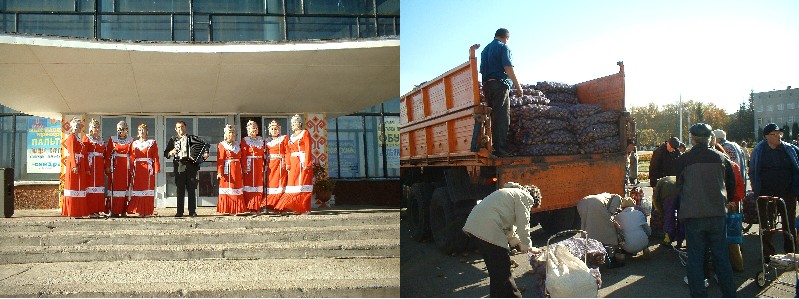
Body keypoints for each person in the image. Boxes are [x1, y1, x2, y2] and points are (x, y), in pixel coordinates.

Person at [675, 123, 736, 297]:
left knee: (695, 258)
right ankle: (730, 293)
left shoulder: (684, 160)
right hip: (717, 214)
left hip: (693, 215)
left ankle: (699, 294)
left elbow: (678, 186)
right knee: (721, 257)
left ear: (692, 138)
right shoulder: (721, 158)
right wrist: (727, 200)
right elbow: (730, 184)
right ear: (710, 138)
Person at [462, 182, 542, 298]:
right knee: (503, 269)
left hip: (474, 227)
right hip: (488, 228)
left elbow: (509, 229)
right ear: (533, 200)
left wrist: (520, 245)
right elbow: (523, 224)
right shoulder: (525, 197)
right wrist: (528, 246)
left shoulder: (510, 194)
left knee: (496, 271)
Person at [749, 123, 799, 260]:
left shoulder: (789, 149)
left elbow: (796, 168)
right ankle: (768, 254)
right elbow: (753, 171)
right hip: (766, 193)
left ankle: (791, 253)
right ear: (766, 136)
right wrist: (756, 190)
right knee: (767, 226)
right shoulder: (759, 150)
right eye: (775, 134)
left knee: (788, 224)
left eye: (780, 134)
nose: (779, 136)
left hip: (788, 193)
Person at [478, 28, 523, 157]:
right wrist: (518, 86)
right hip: (499, 85)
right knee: (502, 118)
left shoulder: (485, 50)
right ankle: (501, 150)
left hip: (487, 85)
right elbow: (508, 67)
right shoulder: (504, 47)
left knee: (492, 118)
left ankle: (493, 147)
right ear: (506, 38)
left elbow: (482, 70)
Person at [164, 120, 209, 217]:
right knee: (180, 189)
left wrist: (206, 153)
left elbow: (205, 145)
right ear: (176, 129)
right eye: (178, 127)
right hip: (179, 165)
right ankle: (179, 212)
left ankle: (192, 211)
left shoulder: (192, 138)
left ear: (185, 127)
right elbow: (166, 153)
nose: (181, 129)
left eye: (182, 127)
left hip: (191, 165)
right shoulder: (173, 139)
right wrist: (171, 152)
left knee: (191, 189)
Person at [275, 114, 313, 215]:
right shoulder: (291, 137)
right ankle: (296, 206)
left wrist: (307, 162)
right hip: (293, 162)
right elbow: (288, 151)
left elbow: (308, 148)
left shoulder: (305, 133)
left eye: (295, 123)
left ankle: (304, 208)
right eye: (292, 123)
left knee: (303, 184)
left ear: (300, 123)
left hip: (302, 160)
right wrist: (288, 164)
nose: (293, 125)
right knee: (292, 185)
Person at [128, 124, 160, 217]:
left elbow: (155, 156)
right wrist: (131, 169)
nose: (142, 132)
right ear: (138, 132)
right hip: (137, 168)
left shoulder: (152, 142)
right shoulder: (134, 143)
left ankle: (147, 210)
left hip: (148, 169)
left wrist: (156, 168)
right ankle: (139, 210)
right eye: (140, 130)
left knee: (148, 188)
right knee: (138, 188)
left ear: (147, 131)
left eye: (144, 130)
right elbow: (131, 157)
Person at [62, 117, 90, 217]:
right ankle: (73, 211)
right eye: (76, 126)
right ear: (73, 127)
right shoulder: (71, 137)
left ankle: (79, 210)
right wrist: (74, 165)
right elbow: (72, 151)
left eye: (79, 126)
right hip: (74, 163)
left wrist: (86, 168)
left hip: (80, 163)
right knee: (73, 186)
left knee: (80, 187)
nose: (78, 128)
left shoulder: (78, 138)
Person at [105, 120, 133, 218]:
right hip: (115, 166)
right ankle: (113, 210)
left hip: (126, 166)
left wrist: (132, 168)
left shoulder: (131, 140)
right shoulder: (112, 139)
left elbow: (132, 154)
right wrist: (107, 167)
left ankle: (124, 210)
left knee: (125, 188)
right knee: (114, 188)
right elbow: (108, 153)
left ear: (127, 130)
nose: (121, 131)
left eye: (123, 129)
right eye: (119, 129)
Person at [217, 124, 247, 215]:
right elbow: (220, 160)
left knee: (236, 187)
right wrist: (220, 172)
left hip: (237, 169)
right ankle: (227, 208)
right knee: (228, 187)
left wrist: (244, 168)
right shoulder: (222, 145)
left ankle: (236, 209)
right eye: (229, 132)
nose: (232, 134)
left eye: (233, 132)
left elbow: (243, 157)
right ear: (225, 134)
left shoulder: (238, 145)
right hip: (227, 169)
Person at [82, 119, 106, 218]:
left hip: (99, 164)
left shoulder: (101, 139)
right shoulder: (86, 138)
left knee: (99, 186)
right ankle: (90, 210)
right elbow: (84, 153)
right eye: (94, 127)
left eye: (98, 127)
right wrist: (87, 167)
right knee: (91, 186)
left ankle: (97, 209)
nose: (96, 129)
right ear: (90, 128)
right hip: (91, 164)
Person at [241, 120, 266, 214]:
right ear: (248, 129)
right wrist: (244, 167)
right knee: (249, 186)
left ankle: (257, 206)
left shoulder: (261, 140)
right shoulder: (245, 140)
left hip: (259, 164)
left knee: (258, 185)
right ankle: (250, 206)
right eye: (252, 128)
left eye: (255, 127)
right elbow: (243, 155)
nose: (254, 129)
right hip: (249, 165)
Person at [265, 119, 289, 214]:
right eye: (272, 129)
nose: (274, 130)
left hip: (280, 164)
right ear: (269, 130)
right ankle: (273, 205)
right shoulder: (266, 141)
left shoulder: (284, 138)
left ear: (279, 130)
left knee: (281, 184)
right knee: (271, 184)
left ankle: (281, 207)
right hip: (270, 165)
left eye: (276, 129)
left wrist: (287, 164)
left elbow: (287, 151)